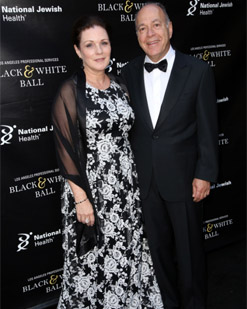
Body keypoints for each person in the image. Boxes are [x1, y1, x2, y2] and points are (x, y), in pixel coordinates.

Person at [52, 15, 164, 308]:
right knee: (91, 265)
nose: (99, 51)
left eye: (104, 43)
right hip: (91, 194)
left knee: (127, 256)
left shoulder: (120, 85)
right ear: (78, 51)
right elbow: (65, 150)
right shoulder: (70, 92)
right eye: (90, 45)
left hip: (126, 192)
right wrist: (81, 200)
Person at [121, 2, 218, 309]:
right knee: (158, 255)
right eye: (142, 27)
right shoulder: (128, 73)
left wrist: (205, 173)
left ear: (170, 28)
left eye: (156, 25)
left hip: (185, 181)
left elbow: (208, 127)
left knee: (190, 254)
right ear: (136, 34)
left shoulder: (198, 70)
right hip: (146, 183)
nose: (150, 33)